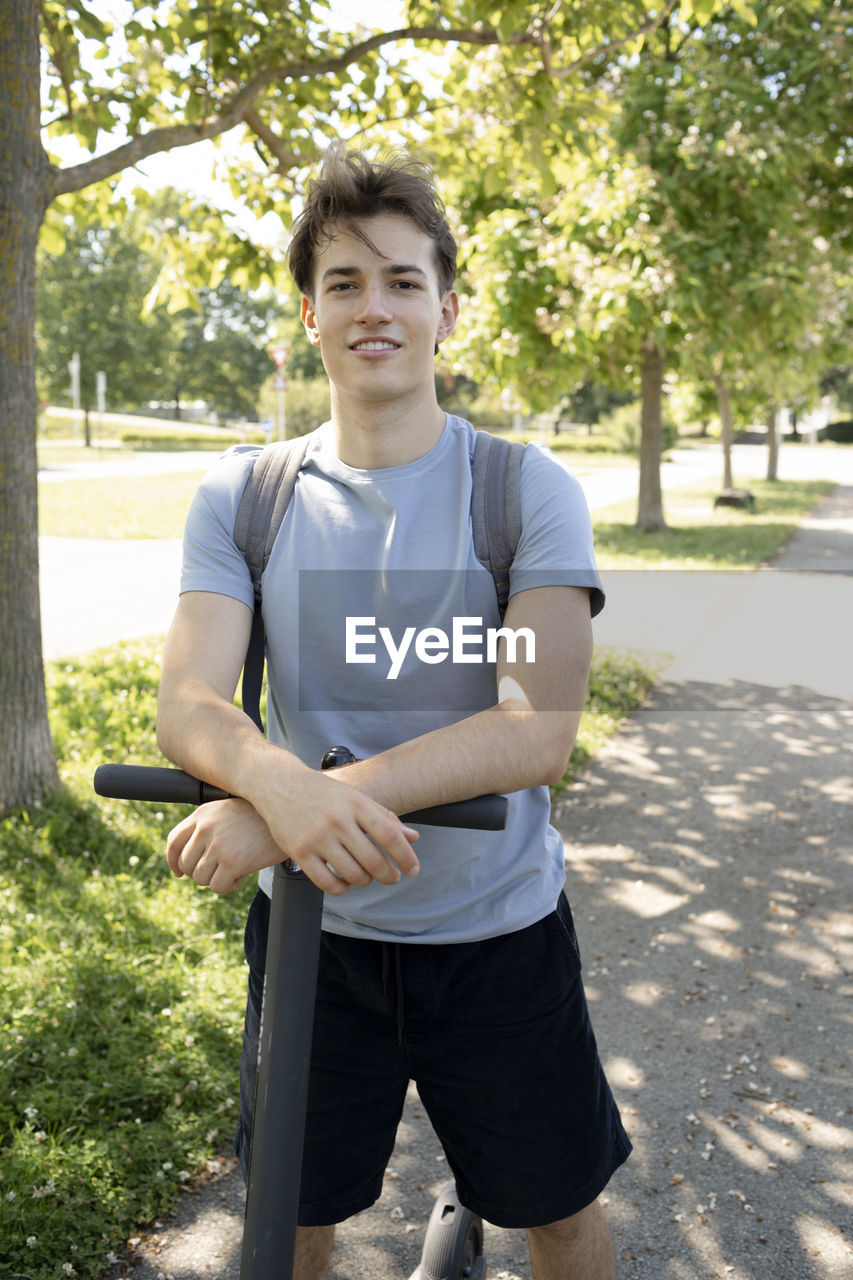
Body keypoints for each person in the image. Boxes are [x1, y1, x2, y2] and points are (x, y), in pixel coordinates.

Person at [156, 145, 631, 1280]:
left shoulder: (523, 489)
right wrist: (284, 792)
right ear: (307, 318)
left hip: (498, 937)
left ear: (446, 311)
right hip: (318, 949)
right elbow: (190, 700)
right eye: (344, 283)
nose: (375, 307)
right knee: (290, 1222)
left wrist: (288, 815)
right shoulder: (246, 495)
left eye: (403, 281)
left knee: (557, 1214)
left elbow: (534, 729)